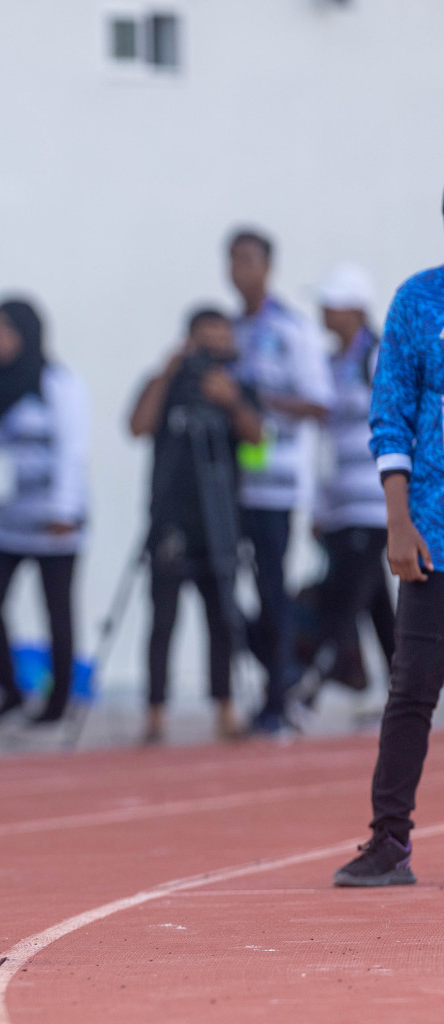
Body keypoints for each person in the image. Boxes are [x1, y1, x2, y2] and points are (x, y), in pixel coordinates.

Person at [332, 207, 444, 887]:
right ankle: (390, 841)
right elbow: (391, 413)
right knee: (411, 692)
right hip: (433, 536)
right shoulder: (418, 300)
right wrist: (397, 521)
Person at [128, 308, 263, 744]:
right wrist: (166, 374)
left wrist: (232, 401)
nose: (214, 352)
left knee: (222, 614)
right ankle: (155, 711)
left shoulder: (238, 386)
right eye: (205, 342)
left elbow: (258, 438)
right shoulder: (169, 386)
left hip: (219, 518)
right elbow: (138, 426)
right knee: (163, 618)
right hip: (170, 516)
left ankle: (225, 707)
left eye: (222, 341)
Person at [226, 228, 335, 733]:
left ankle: (279, 696)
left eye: (248, 259)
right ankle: (274, 677)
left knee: (272, 590)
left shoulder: (292, 330)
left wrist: (256, 402)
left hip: (275, 482)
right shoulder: (228, 332)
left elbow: (319, 402)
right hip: (229, 485)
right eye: (232, 259)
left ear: (268, 266)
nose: (238, 269)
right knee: (223, 590)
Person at [0, 298, 88, 725]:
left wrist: (64, 508)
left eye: (5, 330)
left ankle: (59, 702)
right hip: (4, 521)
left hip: (53, 519)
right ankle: (9, 690)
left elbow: (73, 449)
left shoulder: (56, 382)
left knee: (56, 608)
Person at [305, 264, 393, 700]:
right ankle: (407, 684)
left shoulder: (378, 357)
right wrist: (319, 505)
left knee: (345, 597)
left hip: (375, 502)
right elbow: (324, 441)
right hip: (340, 503)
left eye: (332, 305)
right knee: (374, 598)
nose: (324, 313)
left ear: (356, 309)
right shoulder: (327, 364)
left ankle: (310, 688)